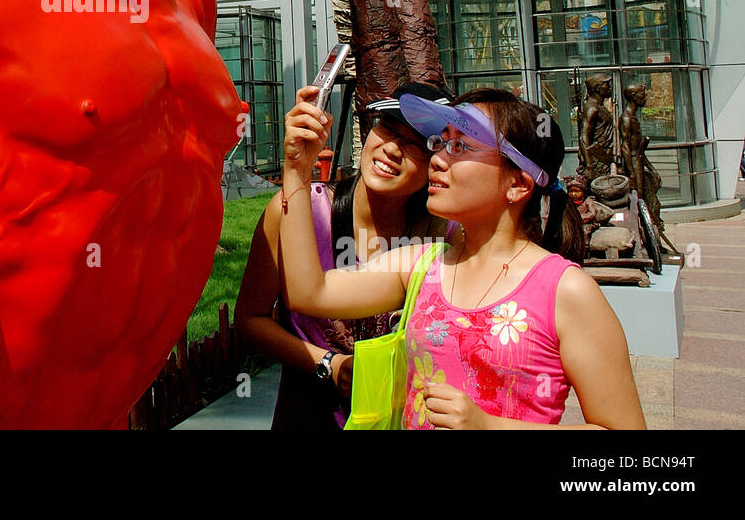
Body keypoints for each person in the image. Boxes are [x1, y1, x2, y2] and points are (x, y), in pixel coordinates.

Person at [279, 84, 646, 429]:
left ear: (518, 184)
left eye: (460, 147)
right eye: (441, 143)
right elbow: (309, 293)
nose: (436, 158)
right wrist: (297, 168)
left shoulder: (566, 291)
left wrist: (489, 425)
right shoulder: (423, 265)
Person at [235, 82, 459, 429]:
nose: (392, 150)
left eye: (416, 144)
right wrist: (328, 363)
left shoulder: (445, 237)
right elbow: (250, 321)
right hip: (309, 414)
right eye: (387, 128)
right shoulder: (300, 210)